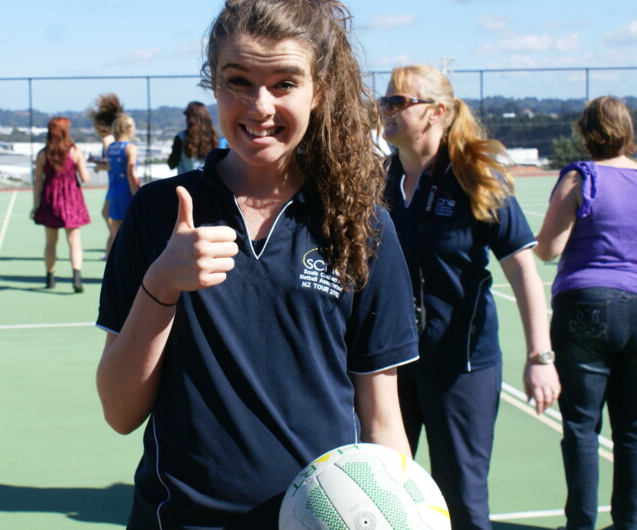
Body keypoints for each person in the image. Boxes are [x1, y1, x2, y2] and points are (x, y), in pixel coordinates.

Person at [95, 1, 419, 527]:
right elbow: (119, 411)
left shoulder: (362, 224)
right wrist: (162, 284)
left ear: (320, 90)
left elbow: (382, 420)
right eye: (238, 81)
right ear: (213, 84)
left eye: (285, 83)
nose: (260, 105)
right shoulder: (159, 212)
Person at [380, 64, 559, 530]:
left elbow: (522, 267)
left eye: (400, 101)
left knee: (461, 501)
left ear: (436, 112)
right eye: (386, 100)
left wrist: (541, 356)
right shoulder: (376, 182)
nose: (387, 109)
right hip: (390, 364)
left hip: (461, 366)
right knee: (378, 494)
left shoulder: (474, 177)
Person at [534, 96, 637, 530]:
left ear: (584, 131)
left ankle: (580, 524)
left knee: (581, 426)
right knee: (633, 426)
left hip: (585, 305)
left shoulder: (582, 177)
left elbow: (548, 248)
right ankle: (628, 524)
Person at [32, 117, 92, 292]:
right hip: (71, 199)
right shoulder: (74, 151)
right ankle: (76, 277)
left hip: (50, 199)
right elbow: (85, 178)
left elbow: (38, 181)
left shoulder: (43, 154)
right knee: (74, 242)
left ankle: (50, 277)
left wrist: (36, 204)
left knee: (51, 242)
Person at [87, 93, 124, 259]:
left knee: (111, 219)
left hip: (116, 185)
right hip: (115, 184)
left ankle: (117, 248)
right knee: (108, 216)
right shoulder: (112, 139)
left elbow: (113, 164)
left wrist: (98, 168)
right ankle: (112, 250)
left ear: (103, 124)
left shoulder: (107, 140)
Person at [104, 113, 139, 257]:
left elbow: (111, 166)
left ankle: (111, 264)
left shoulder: (111, 147)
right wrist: (136, 192)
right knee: (132, 231)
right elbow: (131, 169)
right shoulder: (130, 148)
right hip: (126, 192)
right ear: (129, 129)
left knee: (115, 232)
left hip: (114, 192)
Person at [167, 101, 219, 174]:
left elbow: (172, 164)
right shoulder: (214, 137)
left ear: (189, 118)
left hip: (185, 183)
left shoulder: (181, 137)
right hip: (207, 182)